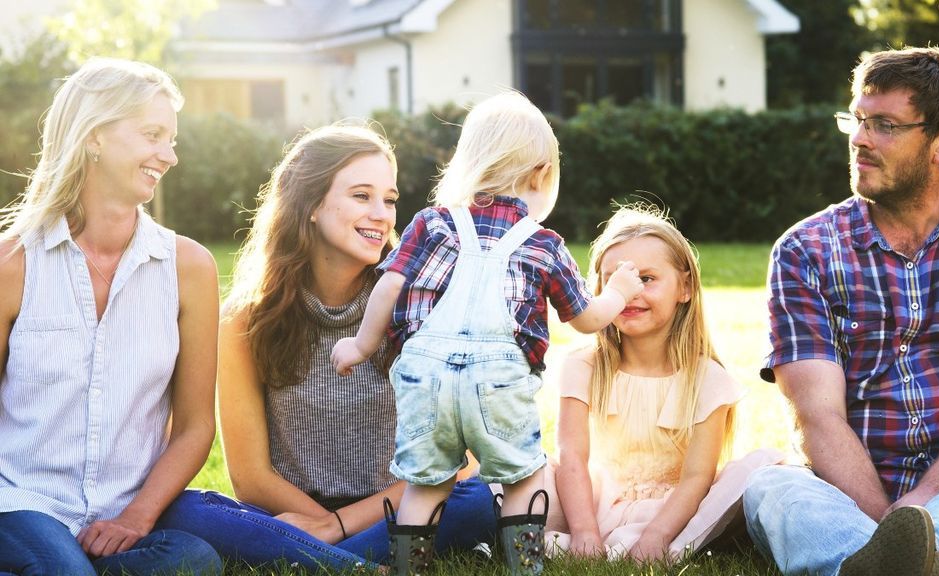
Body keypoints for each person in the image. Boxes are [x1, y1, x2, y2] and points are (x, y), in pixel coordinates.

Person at [156, 122, 497, 572]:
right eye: (362, 196)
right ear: (311, 205)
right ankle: (354, 565)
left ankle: (321, 562)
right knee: (185, 508)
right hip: (292, 514)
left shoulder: (421, 304)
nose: (383, 214)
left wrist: (337, 527)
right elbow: (251, 478)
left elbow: (455, 462)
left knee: (480, 497)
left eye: (389, 199)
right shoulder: (243, 320)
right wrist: (319, 522)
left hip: (402, 507)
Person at [331, 91, 644, 575]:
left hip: (424, 379)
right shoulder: (544, 243)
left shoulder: (431, 223)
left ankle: (409, 567)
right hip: (498, 381)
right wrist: (619, 293)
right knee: (524, 474)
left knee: (428, 483)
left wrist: (361, 343)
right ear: (541, 173)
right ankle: (525, 567)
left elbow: (390, 283)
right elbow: (583, 317)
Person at [743, 46, 939, 576]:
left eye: (885, 126)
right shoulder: (805, 250)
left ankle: (876, 563)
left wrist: (919, 508)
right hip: (846, 492)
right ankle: (928, 564)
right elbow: (816, 415)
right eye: (858, 118)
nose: (860, 139)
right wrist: (884, 524)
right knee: (770, 486)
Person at [0, 58, 222, 575]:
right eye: (152, 135)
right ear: (94, 136)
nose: (168, 155)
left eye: (172, 140)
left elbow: (193, 426)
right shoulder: (14, 263)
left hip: (123, 511)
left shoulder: (189, 267)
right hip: (20, 502)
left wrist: (137, 517)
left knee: (193, 561)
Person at [544, 205, 783, 562]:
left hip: (671, 510)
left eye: (647, 278)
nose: (630, 294)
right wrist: (584, 531)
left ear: (684, 287)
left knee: (756, 470)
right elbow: (572, 458)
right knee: (524, 471)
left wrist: (656, 534)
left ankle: (655, 546)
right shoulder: (583, 365)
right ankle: (590, 543)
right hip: (592, 501)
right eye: (616, 282)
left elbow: (697, 478)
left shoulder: (707, 379)